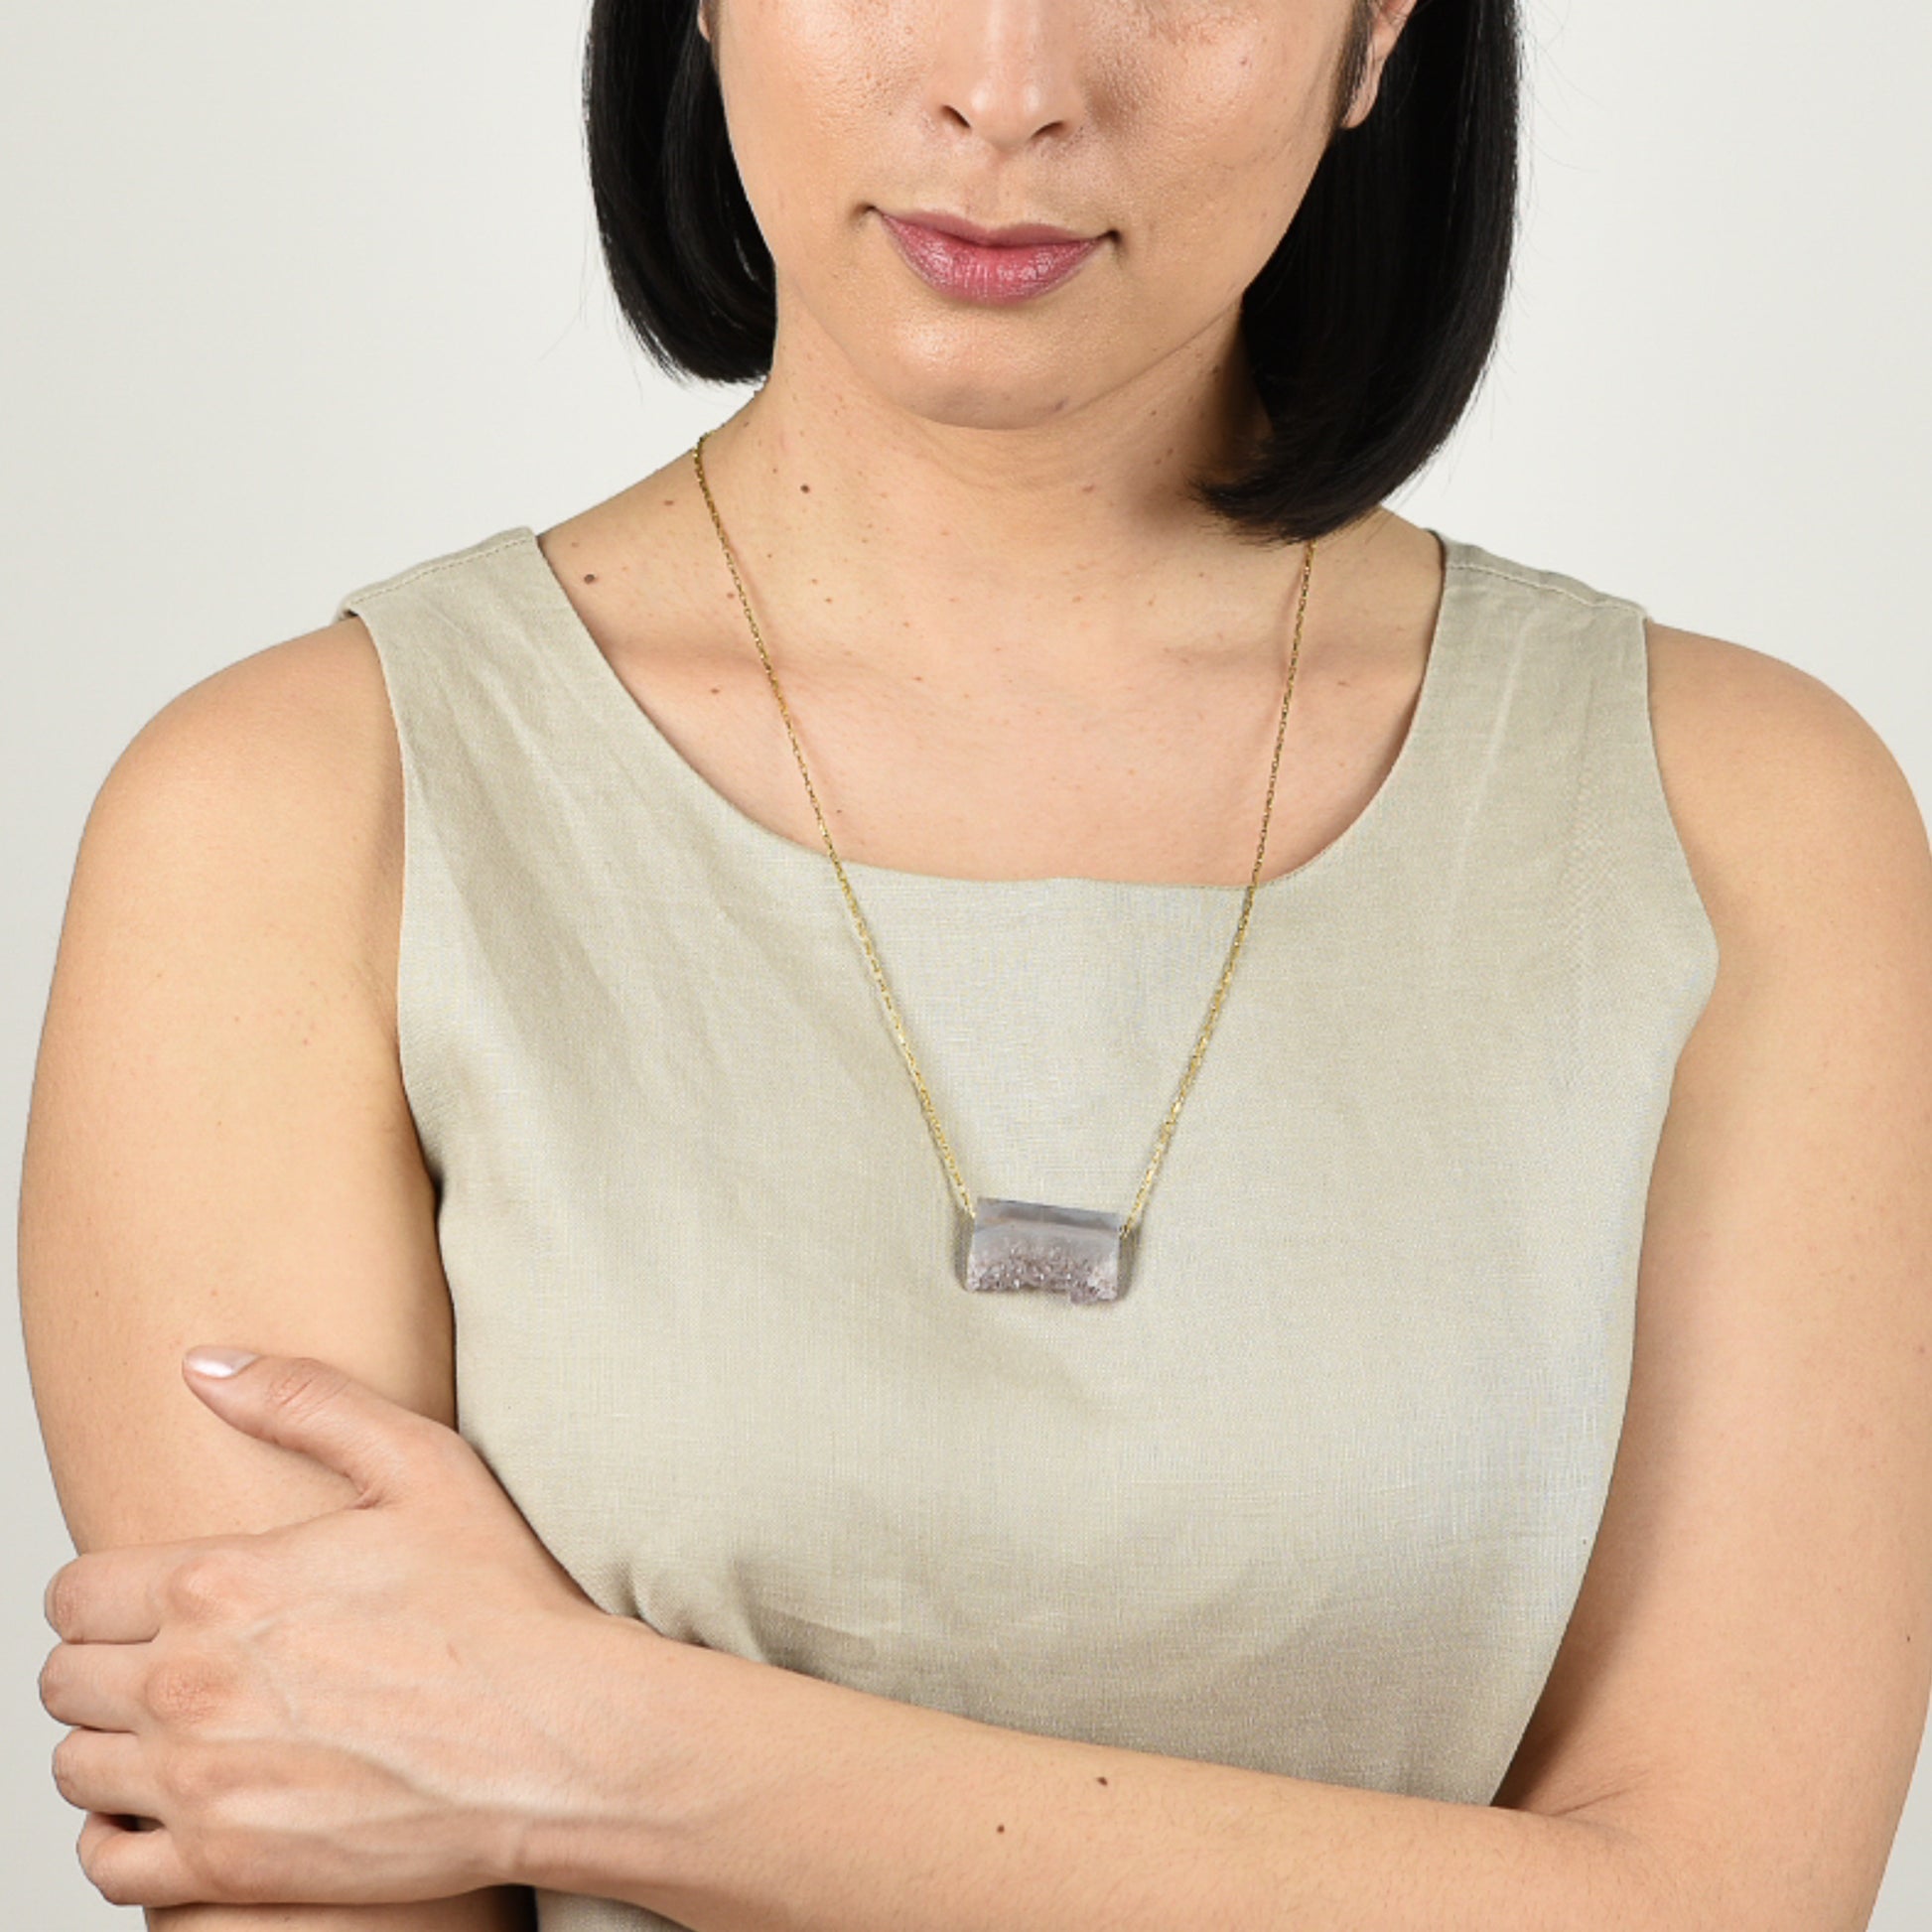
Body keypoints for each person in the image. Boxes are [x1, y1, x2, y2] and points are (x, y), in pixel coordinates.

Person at [21, 0, 1932, 1926]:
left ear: (1377, 34)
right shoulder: (295, 818)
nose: (1006, 90)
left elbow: (1726, 1904)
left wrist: (594, 1750)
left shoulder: (1740, 823)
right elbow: (310, 1829)